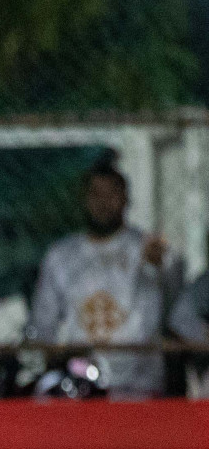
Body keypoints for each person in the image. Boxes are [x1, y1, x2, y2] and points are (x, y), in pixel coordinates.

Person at [28, 158, 183, 397]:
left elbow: (174, 308)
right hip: (80, 383)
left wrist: (162, 267)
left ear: (126, 199)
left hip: (139, 384)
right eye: (96, 194)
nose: (103, 203)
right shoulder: (61, 255)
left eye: (112, 194)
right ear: (84, 199)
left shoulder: (147, 250)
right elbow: (43, 322)